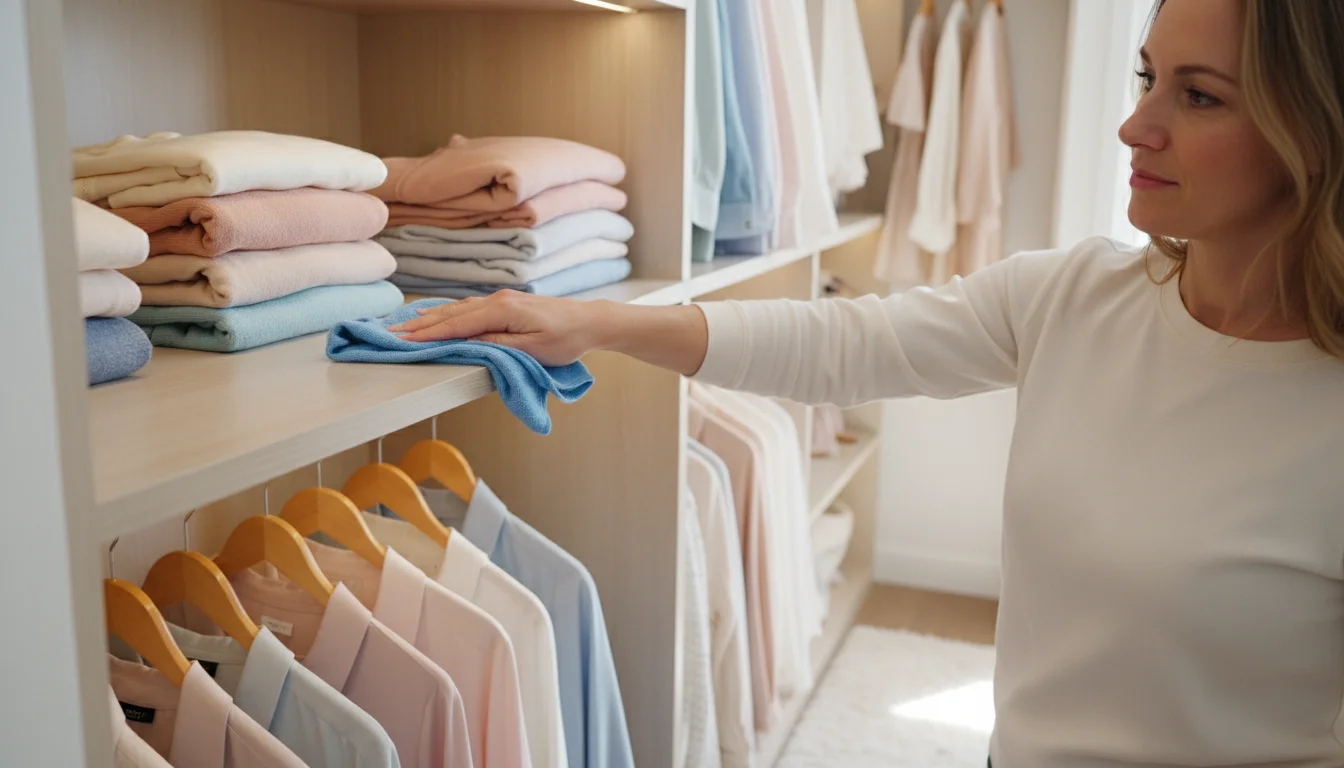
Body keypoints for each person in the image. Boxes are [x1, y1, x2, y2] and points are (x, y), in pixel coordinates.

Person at [391, 0, 1344, 765]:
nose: (1136, 125)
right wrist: (593, 321)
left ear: (1315, 127)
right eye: (1145, 78)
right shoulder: (1076, 297)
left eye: (1200, 96)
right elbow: (843, 342)